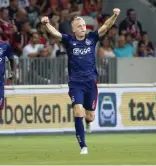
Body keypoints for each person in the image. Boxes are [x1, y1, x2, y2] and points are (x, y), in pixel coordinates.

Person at [41, 8, 121, 154]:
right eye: (79, 26)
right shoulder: (69, 40)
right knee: (78, 111)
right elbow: (55, 33)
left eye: (84, 25)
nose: (83, 28)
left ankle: (88, 123)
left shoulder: (92, 38)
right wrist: (47, 24)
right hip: (75, 83)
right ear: (73, 30)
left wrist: (114, 15)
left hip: (91, 83)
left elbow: (106, 26)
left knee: (89, 115)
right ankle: (83, 146)